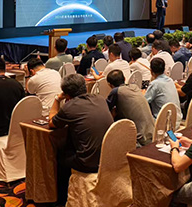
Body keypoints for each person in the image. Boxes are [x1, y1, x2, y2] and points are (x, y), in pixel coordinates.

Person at [49, 74, 113, 204]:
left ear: (66, 94)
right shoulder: (100, 99)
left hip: (88, 163)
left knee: (59, 156)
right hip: (108, 157)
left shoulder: (69, 107)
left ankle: (61, 200)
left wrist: (57, 99)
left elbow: (51, 123)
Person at [106, 70, 154, 146]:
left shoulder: (116, 91)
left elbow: (106, 109)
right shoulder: (135, 87)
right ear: (125, 78)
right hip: (152, 132)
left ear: (110, 85)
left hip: (140, 140)